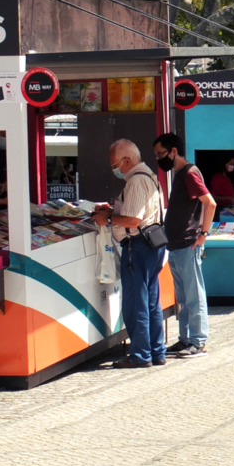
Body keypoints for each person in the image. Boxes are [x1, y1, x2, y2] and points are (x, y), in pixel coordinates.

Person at [93, 140, 166, 368]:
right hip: (153, 244)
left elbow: (133, 220)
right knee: (152, 302)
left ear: (127, 161)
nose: (114, 169)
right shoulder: (150, 176)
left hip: (138, 246)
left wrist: (109, 218)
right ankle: (156, 351)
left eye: (115, 164)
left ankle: (140, 354)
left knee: (136, 303)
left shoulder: (136, 181)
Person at [153, 133, 217, 358]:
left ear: (173, 151)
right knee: (183, 297)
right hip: (176, 244)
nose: (159, 159)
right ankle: (186, 339)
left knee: (193, 295)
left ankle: (198, 341)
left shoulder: (189, 173)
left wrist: (203, 235)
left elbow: (210, 203)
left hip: (188, 244)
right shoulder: (181, 174)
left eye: (161, 154)